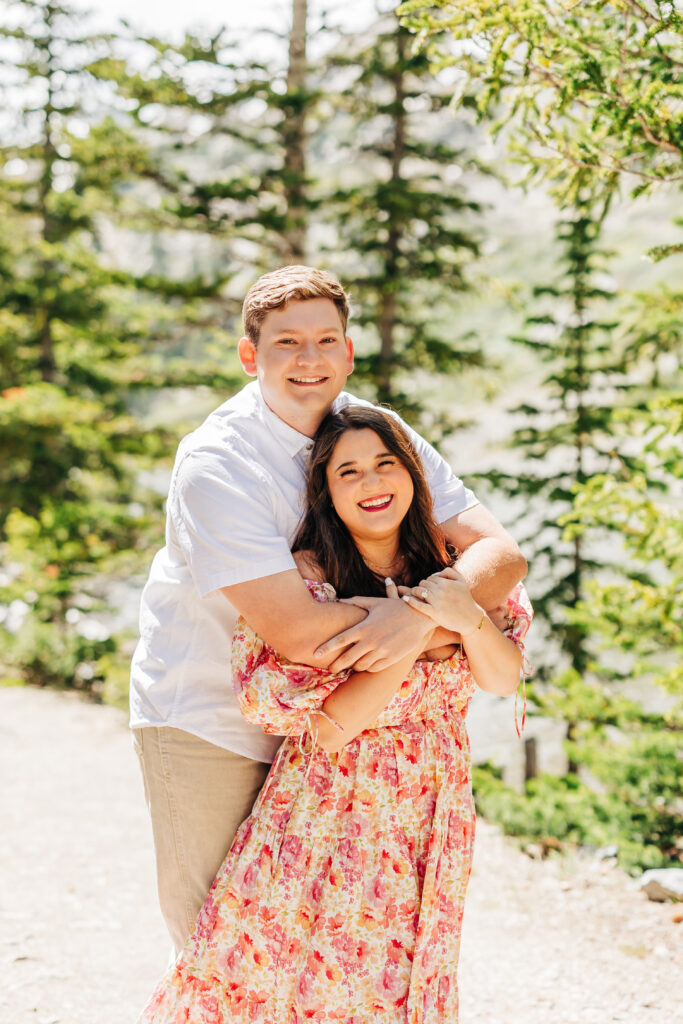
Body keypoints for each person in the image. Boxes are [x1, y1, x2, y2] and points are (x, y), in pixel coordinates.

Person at [130, 265, 527, 955]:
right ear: (250, 356)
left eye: (325, 340)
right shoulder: (218, 462)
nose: (308, 359)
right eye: (286, 343)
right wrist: (443, 619)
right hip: (213, 721)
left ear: (348, 351)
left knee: (327, 951)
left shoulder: (377, 434)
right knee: (222, 950)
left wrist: (419, 619)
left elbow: (498, 554)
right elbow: (301, 637)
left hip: (335, 737)